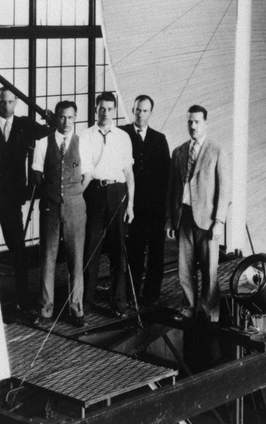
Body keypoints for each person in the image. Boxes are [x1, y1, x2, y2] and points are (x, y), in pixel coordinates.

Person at [0, 86, 50, 307]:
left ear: (16, 102)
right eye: (2, 102)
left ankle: (22, 296)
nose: (6, 106)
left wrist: (51, 118)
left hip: (12, 197)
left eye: (10, 102)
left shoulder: (25, 125)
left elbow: (50, 134)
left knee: (17, 247)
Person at [165, 105, 231, 322]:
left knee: (209, 270)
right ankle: (188, 308)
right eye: (189, 122)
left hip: (208, 220)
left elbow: (225, 190)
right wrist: (169, 219)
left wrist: (219, 221)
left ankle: (210, 313)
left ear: (205, 123)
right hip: (183, 217)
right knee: (184, 268)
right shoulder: (179, 152)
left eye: (197, 122)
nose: (192, 126)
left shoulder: (217, 151)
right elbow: (172, 189)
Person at [31, 100, 91, 328]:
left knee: (76, 259)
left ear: (75, 118)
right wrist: (53, 195)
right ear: (55, 118)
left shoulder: (82, 142)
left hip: (76, 207)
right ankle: (45, 311)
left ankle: (77, 310)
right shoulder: (42, 143)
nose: (66, 122)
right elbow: (37, 173)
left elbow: (87, 175)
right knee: (47, 259)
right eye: (62, 117)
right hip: (50, 208)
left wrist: (73, 195)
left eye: (70, 117)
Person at [80, 91, 135, 315]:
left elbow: (129, 173)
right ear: (96, 109)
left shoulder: (123, 137)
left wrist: (130, 205)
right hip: (94, 193)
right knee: (91, 249)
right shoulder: (85, 136)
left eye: (110, 109)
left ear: (115, 111)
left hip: (117, 194)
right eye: (101, 108)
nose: (105, 113)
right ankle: (86, 301)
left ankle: (118, 303)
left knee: (117, 251)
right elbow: (86, 173)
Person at [119, 94, 171, 307]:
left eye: (145, 111)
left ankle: (151, 295)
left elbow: (166, 175)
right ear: (133, 110)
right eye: (138, 110)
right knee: (134, 252)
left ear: (151, 113)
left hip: (155, 207)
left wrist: (166, 210)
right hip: (133, 205)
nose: (141, 114)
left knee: (157, 252)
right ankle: (131, 294)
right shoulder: (122, 134)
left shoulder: (159, 139)